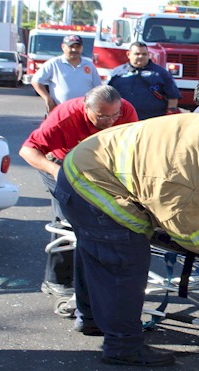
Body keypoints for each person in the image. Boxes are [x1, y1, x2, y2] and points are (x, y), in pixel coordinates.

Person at [52, 114, 199, 366]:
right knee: (124, 258)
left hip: (85, 164)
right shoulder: (180, 183)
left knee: (95, 252)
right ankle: (122, 346)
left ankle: (91, 319)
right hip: (91, 185)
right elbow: (193, 238)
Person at [19, 85, 138, 298]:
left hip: (98, 165)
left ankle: (97, 277)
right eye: (102, 117)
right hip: (60, 163)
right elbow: (27, 150)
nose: (110, 121)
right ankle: (57, 280)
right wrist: (57, 172)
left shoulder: (126, 111)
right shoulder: (64, 117)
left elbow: (134, 147)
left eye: (114, 115)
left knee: (107, 216)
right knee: (68, 218)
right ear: (86, 108)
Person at [107, 42, 182, 120]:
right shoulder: (117, 73)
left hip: (151, 121)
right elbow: (106, 95)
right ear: (128, 54)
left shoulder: (161, 73)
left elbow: (173, 96)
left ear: (149, 55)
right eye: (137, 54)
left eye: (144, 54)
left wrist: (170, 113)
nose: (141, 56)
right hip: (123, 120)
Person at [32, 35, 102, 115]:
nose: (74, 50)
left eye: (77, 47)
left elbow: (98, 88)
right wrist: (47, 98)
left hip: (83, 112)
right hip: (60, 111)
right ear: (63, 47)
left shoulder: (89, 65)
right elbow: (36, 81)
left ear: (82, 48)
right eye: (71, 46)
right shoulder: (54, 63)